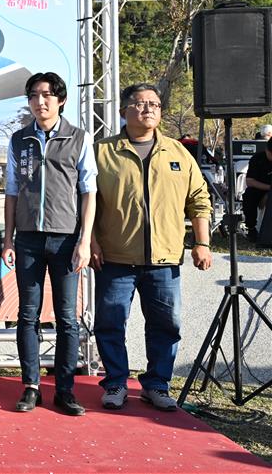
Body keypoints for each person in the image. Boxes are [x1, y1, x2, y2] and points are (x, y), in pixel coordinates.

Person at [91, 83, 213, 411]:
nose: (148, 109)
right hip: (115, 257)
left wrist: (201, 242)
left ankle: (157, 384)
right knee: (110, 324)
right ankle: (115, 382)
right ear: (123, 111)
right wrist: (91, 241)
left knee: (165, 325)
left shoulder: (177, 153)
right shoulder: (102, 151)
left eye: (155, 104)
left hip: (164, 259)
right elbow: (85, 202)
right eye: (140, 103)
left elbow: (199, 199)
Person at [2, 72, 97, 416]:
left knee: (67, 317)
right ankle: (31, 386)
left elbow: (89, 191)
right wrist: (8, 238)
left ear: (61, 100)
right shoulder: (19, 140)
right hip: (28, 239)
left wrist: (84, 240)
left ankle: (65, 390)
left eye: (46, 95)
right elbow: (12, 191)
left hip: (66, 239)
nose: (39, 102)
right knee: (27, 315)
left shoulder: (79, 138)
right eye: (33, 96)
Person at [243, 134, 272, 243]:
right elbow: (250, 181)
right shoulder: (257, 159)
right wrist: (269, 189)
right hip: (260, 188)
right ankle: (251, 228)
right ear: (267, 150)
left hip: (269, 191)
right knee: (249, 195)